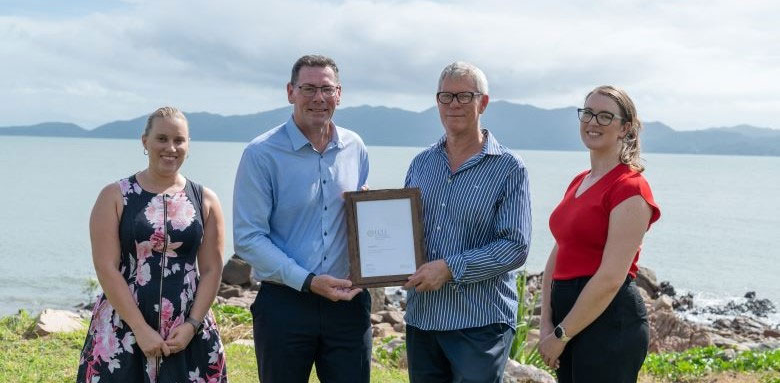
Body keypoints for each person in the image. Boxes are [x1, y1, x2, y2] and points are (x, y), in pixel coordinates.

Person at [233, 54, 371, 383]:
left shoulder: (356, 147)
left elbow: (359, 220)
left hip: (348, 306)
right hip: (285, 305)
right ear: (290, 92)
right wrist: (307, 281)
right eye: (308, 88)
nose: (318, 98)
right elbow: (248, 238)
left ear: (340, 93)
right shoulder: (261, 153)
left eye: (327, 89)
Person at [402, 61, 532, 383]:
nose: (454, 104)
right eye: (446, 96)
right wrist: (368, 218)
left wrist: (450, 268)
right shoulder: (421, 164)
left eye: (464, 96)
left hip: (480, 322)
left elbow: (515, 246)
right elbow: (404, 230)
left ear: (483, 103)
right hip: (423, 318)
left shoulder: (509, 168)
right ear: (437, 102)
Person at [77, 107, 227, 382]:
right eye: (162, 138)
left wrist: (192, 326)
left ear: (188, 145)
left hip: (187, 329)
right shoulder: (114, 196)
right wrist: (140, 328)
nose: (170, 147)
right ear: (145, 142)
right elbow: (106, 266)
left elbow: (211, 269)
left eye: (179, 140)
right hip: (122, 327)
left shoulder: (206, 199)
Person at [539, 85, 661, 382]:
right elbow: (560, 250)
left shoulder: (631, 188)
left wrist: (561, 333)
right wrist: (546, 323)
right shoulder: (580, 180)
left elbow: (609, 278)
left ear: (625, 128)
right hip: (569, 322)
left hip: (609, 324)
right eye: (588, 113)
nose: (593, 122)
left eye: (605, 116)